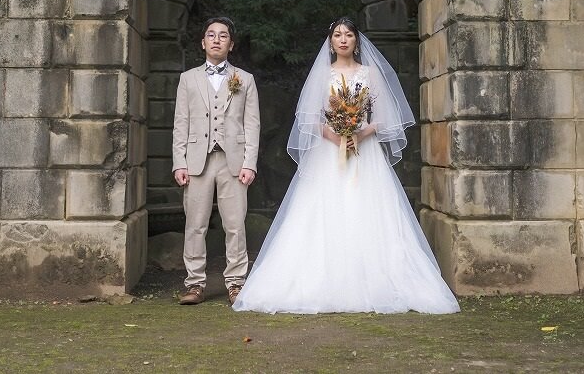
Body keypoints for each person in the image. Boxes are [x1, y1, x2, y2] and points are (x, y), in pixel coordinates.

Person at [232, 17, 459, 314]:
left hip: (366, 153)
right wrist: (337, 136)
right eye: (337, 35)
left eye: (348, 35)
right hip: (328, 152)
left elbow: (383, 117)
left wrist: (360, 133)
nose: (343, 39)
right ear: (330, 42)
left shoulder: (369, 73)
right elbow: (311, 118)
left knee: (370, 209)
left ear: (356, 41)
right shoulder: (322, 75)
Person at [172, 16, 261, 305]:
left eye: (223, 36)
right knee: (195, 224)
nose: (216, 39)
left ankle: (236, 282)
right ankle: (195, 283)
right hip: (197, 159)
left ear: (231, 44)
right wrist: (179, 162)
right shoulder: (188, 79)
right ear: (202, 42)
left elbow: (252, 124)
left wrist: (250, 163)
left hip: (233, 160)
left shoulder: (244, 80)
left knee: (234, 224)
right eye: (211, 34)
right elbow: (180, 123)